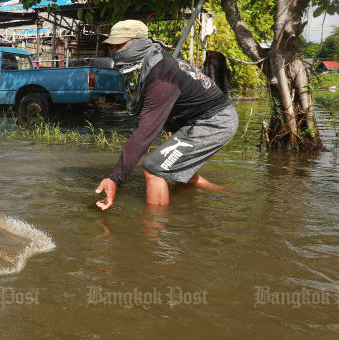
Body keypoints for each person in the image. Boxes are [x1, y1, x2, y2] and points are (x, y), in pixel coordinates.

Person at [95, 20, 238, 210]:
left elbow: (144, 132)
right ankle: (232, 197)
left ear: (139, 42)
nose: (114, 50)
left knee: (154, 169)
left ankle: (156, 234)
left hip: (215, 121)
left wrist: (115, 178)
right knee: (172, 167)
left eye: (120, 45)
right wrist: (173, 128)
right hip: (199, 118)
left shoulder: (161, 75)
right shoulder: (156, 60)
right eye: (112, 46)